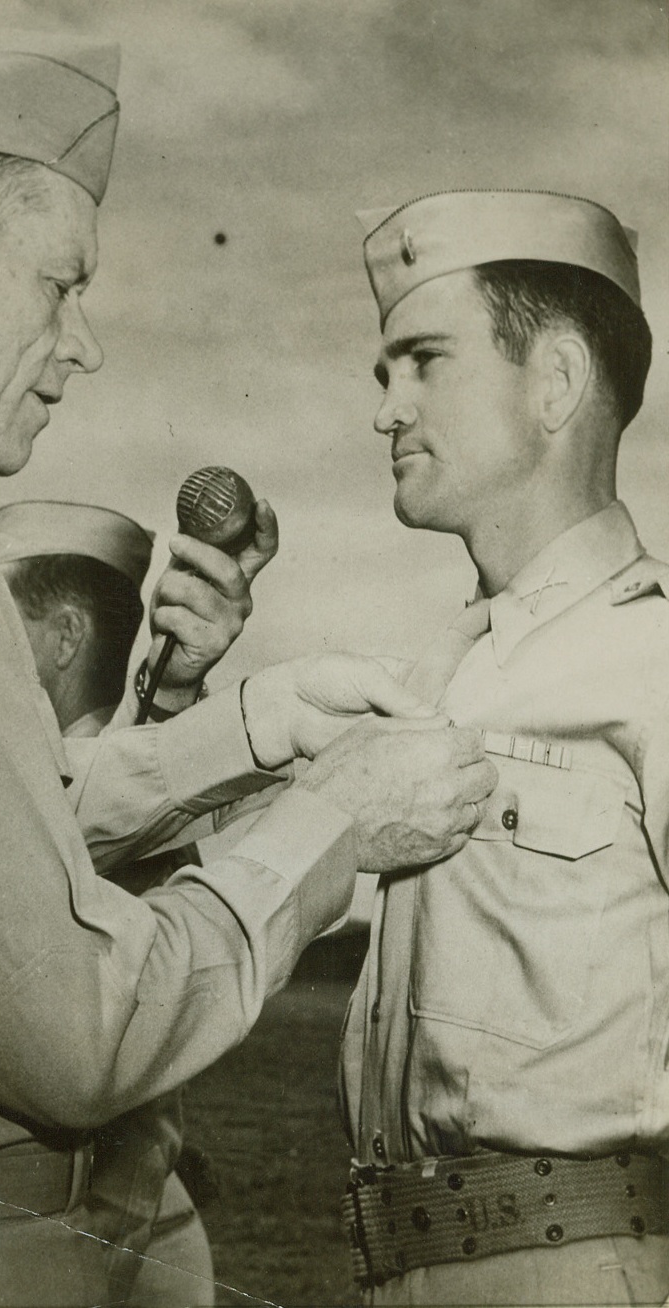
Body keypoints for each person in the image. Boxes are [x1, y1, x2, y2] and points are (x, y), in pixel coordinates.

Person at [0, 40, 497, 1307]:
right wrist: (331, 822)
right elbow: (82, 1029)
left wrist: (246, 725)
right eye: (61, 284)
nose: (84, 346)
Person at [339, 190, 669, 1306]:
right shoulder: (437, 674)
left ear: (557, 382)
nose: (387, 409)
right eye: (383, 373)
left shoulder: (653, 660)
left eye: (423, 360)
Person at [0, 497, 254, 1304]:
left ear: (65, 637)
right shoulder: (154, 774)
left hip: (97, 1241)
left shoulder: (92, 789)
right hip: (137, 1228)